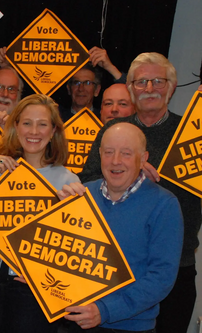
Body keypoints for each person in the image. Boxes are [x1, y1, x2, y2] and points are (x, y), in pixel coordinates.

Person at [79, 52, 201, 333]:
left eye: (158, 81)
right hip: (113, 266)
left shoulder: (192, 131)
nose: (149, 89)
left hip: (175, 264)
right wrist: (130, 170)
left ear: (171, 87)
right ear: (131, 88)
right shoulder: (113, 129)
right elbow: (90, 178)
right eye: (141, 82)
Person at [0, 94, 79, 333]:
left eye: (42, 124)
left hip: (33, 287)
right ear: (15, 127)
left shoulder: (68, 181)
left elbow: (73, 248)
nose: (34, 131)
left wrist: (43, 275)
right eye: (27, 123)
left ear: (53, 131)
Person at [59, 123, 183, 332]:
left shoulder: (164, 204)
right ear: (100, 155)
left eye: (126, 153)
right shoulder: (80, 195)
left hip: (129, 327)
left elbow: (161, 277)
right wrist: (39, 273)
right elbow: (62, 254)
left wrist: (105, 310)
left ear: (143, 159)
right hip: (72, 321)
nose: (115, 161)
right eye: (108, 152)